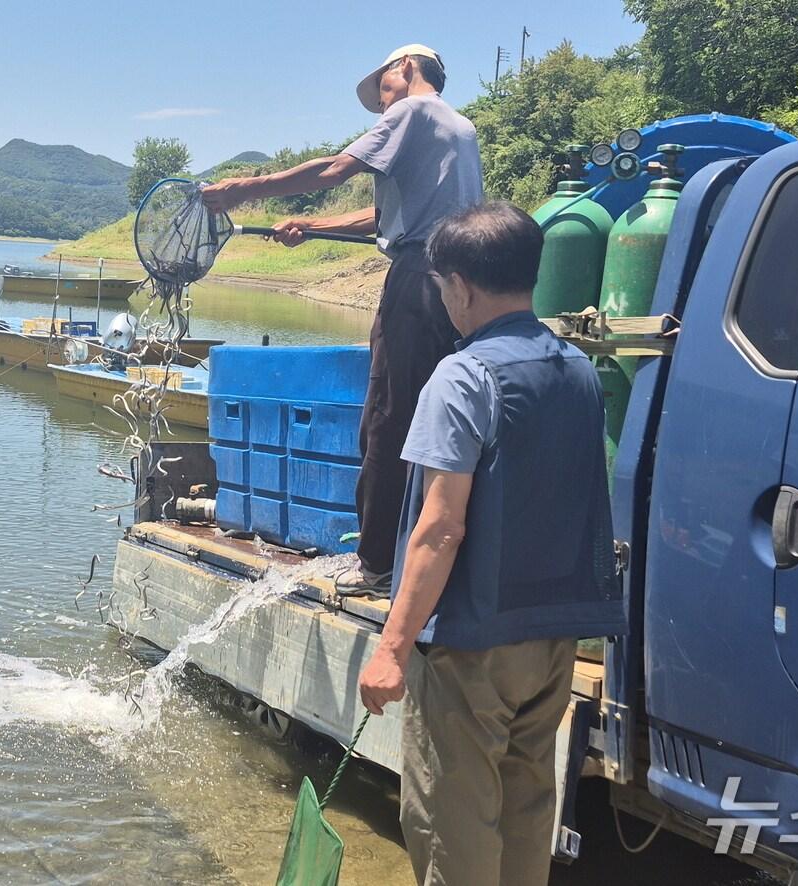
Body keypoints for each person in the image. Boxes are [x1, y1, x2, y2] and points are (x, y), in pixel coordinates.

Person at [356, 202, 627, 886]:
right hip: (551, 638)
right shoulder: (577, 369)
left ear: (460, 287)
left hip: (471, 645)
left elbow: (441, 526)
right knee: (526, 805)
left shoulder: (463, 376)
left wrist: (391, 647)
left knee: (453, 822)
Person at [202, 44, 484, 595]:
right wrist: (311, 223)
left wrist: (245, 188)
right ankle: (429, 556)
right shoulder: (460, 129)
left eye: (381, 91)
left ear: (405, 69)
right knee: (440, 418)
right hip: (460, 283)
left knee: (387, 416)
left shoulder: (413, 111)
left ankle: (376, 564)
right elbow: (382, 215)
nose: (381, 109)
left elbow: (334, 169)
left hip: (417, 277)